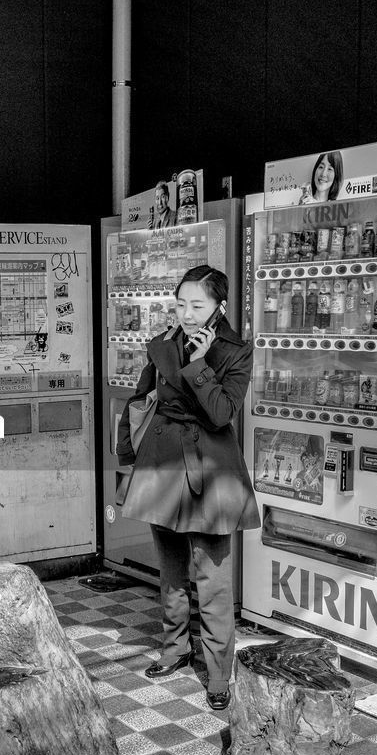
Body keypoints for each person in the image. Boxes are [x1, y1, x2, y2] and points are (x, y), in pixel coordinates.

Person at [115, 265, 259, 710]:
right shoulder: (160, 344)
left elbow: (221, 414)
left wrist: (199, 365)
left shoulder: (236, 352)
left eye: (198, 305)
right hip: (162, 463)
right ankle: (175, 648)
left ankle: (218, 673)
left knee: (212, 577)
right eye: (181, 304)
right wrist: (129, 448)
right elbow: (141, 399)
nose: (188, 314)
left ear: (220, 306)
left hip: (210, 469)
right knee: (171, 568)